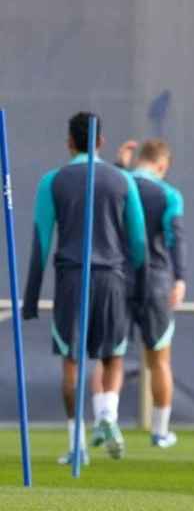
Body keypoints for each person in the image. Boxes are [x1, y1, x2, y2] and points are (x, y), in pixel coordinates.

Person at [22, 112, 148, 465]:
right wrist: (140, 285)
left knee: (72, 364)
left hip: (71, 280)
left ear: (69, 142)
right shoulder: (123, 180)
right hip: (111, 278)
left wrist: (30, 297)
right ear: (101, 142)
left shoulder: (53, 181)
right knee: (113, 356)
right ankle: (107, 414)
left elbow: (41, 240)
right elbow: (138, 241)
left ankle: (77, 444)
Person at [89, 139, 186, 449]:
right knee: (159, 360)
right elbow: (175, 237)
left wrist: (119, 165)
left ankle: (105, 420)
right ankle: (160, 432)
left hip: (117, 277)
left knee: (108, 356)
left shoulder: (120, 182)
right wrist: (181, 277)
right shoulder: (168, 194)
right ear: (161, 165)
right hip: (156, 279)